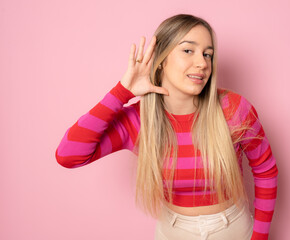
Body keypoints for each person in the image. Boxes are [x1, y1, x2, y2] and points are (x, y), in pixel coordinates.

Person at [55, 14, 278, 240]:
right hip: (173, 232)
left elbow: (266, 171)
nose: (202, 63)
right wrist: (123, 91)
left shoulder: (234, 109)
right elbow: (68, 155)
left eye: (208, 54)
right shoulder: (138, 120)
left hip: (234, 229)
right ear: (161, 59)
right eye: (188, 50)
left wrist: (259, 237)